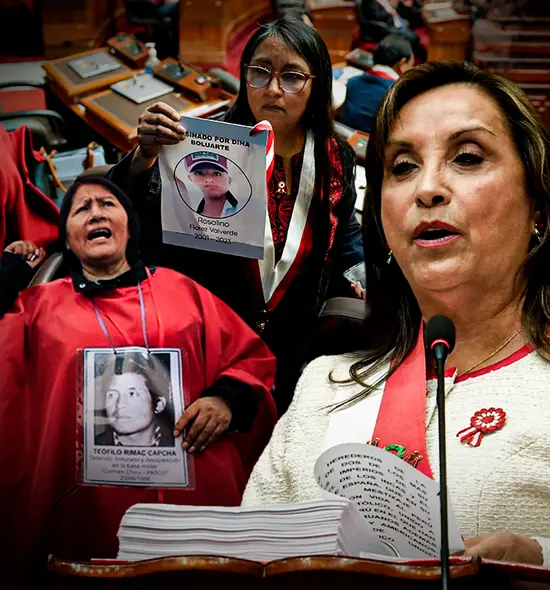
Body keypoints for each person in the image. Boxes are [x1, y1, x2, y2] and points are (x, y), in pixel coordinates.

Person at [241, 61, 550, 589]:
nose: (427, 189)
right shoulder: (325, 387)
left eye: (467, 157)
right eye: (403, 166)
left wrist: (547, 566)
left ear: (537, 205)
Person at [0, 178, 277, 582]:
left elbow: (252, 359)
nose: (95, 213)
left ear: (129, 226)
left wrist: (226, 400)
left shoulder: (184, 291)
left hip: (195, 502)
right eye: (81, 209)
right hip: (87, 513)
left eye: (107, 204)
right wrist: (8, 273)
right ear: (68, 240)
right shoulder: (39, 307)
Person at [109, 15, 364, 413]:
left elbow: (344, 230)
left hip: (296, 337)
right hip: (214, 333)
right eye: (260, 72)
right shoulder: (205, 143)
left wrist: (362, 273)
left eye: (292, 76)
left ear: (317, 85)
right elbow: (140, 222)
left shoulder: (335, 157)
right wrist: (145, 156)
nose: (273, 89)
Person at [94, 354, 174, 447]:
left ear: (159, 404)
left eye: (132, 394)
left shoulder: (178, 445)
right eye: (111, 395)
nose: (119, 404)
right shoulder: (87, 448)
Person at [339, 34, 413, 133]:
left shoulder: (352, 81)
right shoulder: (400, 92)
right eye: (411, 65)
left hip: (345, 138)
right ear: (402, 63)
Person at [358, 0, 427, 62]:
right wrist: (390, 9)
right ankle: (416, 58)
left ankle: (417, 56)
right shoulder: (370, 2)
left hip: (395, 23)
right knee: (414, 37)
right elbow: (377, 17)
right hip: (385, 28)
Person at [181, 151, 240, 218]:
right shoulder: (186, 211)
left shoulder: (245, 210)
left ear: (229, 180)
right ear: (190, 178)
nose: (208, 179)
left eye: (217, 173)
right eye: (199, 173)